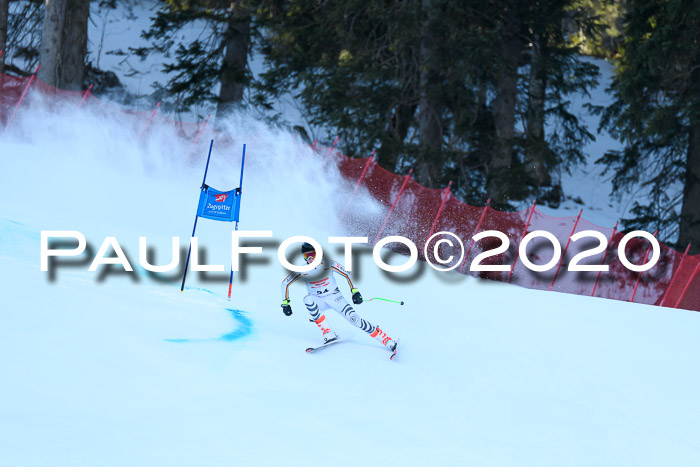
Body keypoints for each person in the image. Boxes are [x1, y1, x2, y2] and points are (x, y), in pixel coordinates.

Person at [281, 242, 398, 352]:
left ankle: (386, 340)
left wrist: (355, 291)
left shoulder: (329, 264)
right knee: (307, 299)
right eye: (307, 255)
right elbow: (285, 283)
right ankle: (328, 332)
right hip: (318, 299)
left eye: (313, 254)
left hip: (335, 297)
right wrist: (285, 303)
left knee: (355, 320)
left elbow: (347, 273)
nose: (310, 258)